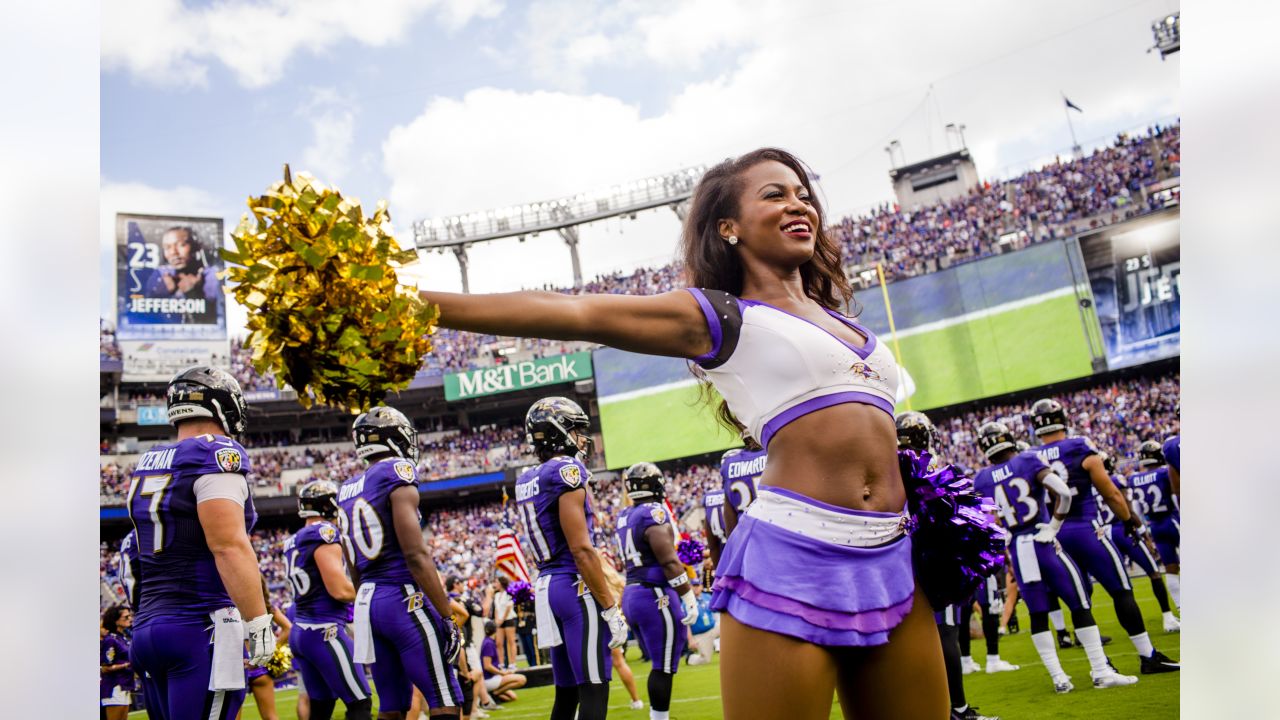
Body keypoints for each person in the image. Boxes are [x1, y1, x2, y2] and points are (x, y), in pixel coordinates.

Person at [419, 148, 968, 719]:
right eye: (774, 195)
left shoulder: (846, 321)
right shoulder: (720, 315)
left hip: (892, 556)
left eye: (803, 193)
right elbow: (572, 312)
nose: (797, 204)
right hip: (794, 558)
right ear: (728, 227)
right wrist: (415, 304)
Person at [128, 366, 273, 720]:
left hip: (147, 630)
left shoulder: (148, 463)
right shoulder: (216, 453)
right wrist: (258, 621)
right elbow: (228, 545)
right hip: (199, 626)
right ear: (224, 406)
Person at [972, 421, 1137, 693]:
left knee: (1038, 614)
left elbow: (983, 520)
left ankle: (1059, 678)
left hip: (1018, 548)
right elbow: (1062, 491)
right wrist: (1054, 526)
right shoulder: (1026, 460)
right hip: (1043, 540)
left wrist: (1005, 537)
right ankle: (1100, 670)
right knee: (1079, 603)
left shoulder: (982, 478)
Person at [1029, 398, 1180, 675]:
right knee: (1121, 591)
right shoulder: (1079, 446)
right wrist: (1129, 520)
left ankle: (1101, 664)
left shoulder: (1032, 457)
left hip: (1057, 536)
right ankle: (1148, 655)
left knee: (1080, 602)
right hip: (1087, 529)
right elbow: (1110, 492)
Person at [338, 407, 463, 719]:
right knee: (443, 696)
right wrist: (446, 615)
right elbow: (416, 555)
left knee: (392, 705)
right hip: (401, 595)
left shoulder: (346, 488)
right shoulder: (395, 471)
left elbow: (352, 565)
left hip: (368, 599)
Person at [513, 397, 627, 720]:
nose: (582, 439)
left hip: (548, 587)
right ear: (557, 432)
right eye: (576, 430)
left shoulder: (527, 478)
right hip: (573, 587)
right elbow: (581, 549)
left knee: (566, 695)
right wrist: (609, 607)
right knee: (593, 688)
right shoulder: (565, 470)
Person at [895, 411, 1000, 720]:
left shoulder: (887, 470)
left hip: (895, 563)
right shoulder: (929, 470)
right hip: (931, 560)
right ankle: (958, 709)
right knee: (945, 633)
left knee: (911, 640)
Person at [615, 462, 699, 720]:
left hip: (632, 593)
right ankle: (659, 718)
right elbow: (669, 561)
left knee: (659, 663)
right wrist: (687, 594)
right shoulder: (654, 512)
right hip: (654, 594)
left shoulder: (624, 516)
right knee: (662, 666)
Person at [285, 480, 372, 720]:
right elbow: (339, 591)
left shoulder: (292, 541)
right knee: (360, 702)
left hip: (301, 632)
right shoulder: (324, 533)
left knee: (321, 708)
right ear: (329, 505)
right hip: (324, 630)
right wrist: (372, 589)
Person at [1095, 453, 1179, 632]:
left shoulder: (1091, 486)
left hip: (1104, 534)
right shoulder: (1117, 479)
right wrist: (1142, 532)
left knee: (1121, 585)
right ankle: (1168, 617)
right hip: (1123, 529)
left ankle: (1134, 629)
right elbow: (1127, 508)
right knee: (1154, 573)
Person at [1129, 441, 1181, 614]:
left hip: (1155, 526)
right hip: (1172, 519)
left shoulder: (1134, 479)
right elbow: (1176, 495)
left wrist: (1144, 532)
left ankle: (1181, 609)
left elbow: (1135, 509)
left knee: (1170, 570)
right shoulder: (1165, 473)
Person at [241, 577, 293, 720]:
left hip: (239, 664)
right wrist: (272, 648)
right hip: (260, 666)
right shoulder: (266, 607)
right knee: (271, 717)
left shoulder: (231, 606)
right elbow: (288, 628)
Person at [143, 226, 219, 301]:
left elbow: (220, 310)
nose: (173, 252)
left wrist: (192, 294)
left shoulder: (212, 276)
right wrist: (159, 295)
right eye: (167, 247)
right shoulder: (159, 274)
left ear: (195, 247)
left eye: (181, 245)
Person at [718, 441, 767, 537]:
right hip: (779, 532)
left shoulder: (729, 464)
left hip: (747, 539)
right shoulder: (775, 453)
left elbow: (731, 529)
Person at [480, 620, 528, 702]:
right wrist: (502, 673)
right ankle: (495, 693)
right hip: (489, 679)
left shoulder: (489, 641)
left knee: (513, 697)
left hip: (493, 677)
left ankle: (494, 694)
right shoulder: (488, 643)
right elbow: (487, 666)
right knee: (522, 679)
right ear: (496, 630)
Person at [101, 605, 134, 720]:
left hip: (125, 684)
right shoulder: (110, 640)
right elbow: (105, 667)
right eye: (126, 617)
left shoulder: (123, 638)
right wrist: (127, 665)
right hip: (114, 686)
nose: (130, 619)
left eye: (130, 616)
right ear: (115, 620)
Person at [702, 487, 728, 570]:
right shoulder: (728, 494)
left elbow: (713, 547)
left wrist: (718, 573)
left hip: (724, 564)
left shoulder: (709, 498)